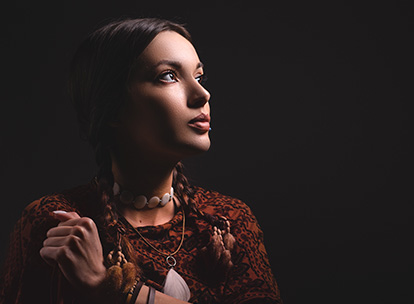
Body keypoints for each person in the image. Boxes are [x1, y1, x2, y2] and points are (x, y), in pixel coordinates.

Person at [0, 17, 282, 304]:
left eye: (198, 77)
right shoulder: (59, 226)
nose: (202, 94)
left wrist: (114, 288)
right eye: (168, 76)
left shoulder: (228, 220)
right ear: (111, 108)